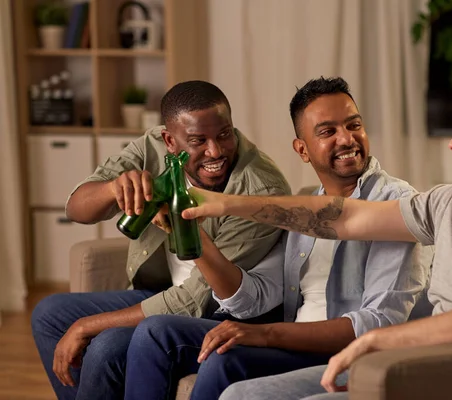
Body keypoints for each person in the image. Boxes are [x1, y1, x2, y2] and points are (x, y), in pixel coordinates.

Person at [183, 71, 452, 400]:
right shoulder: (451, 204)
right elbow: (342, 219)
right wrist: (223, 203)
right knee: (243, 394)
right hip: (425, 368)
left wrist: (382, 339)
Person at [122, 77, 433, 400]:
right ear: (302, 149)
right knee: (157, 332)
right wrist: (191, 232)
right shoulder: (300, 212)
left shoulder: (396, 203)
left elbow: (378, 322)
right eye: (328, 132)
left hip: (349, 354)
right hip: (296, 347)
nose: (347, 139)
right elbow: (252, 298)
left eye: (354, 125)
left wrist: (264, 334)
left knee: (222, 361)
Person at [30, 80, 291, 400]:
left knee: (105, 347)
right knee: (50, 313)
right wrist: (114, 188)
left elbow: (199, 299)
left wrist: (87, 325)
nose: (216, 151)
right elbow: (77, 208)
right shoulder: (151, 146)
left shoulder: (260, 190)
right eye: (198, 140)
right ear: (169, 140)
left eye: (224, 134)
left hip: (216, 311)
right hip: (162, 290)